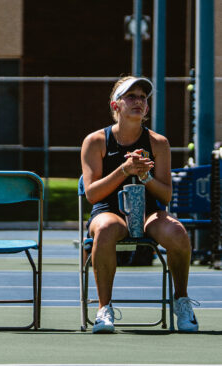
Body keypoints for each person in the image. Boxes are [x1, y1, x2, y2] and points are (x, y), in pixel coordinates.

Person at [81, 76, 199, 333]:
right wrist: (124, 170)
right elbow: (91, 194)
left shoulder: (158, 143)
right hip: (108, 211)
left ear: (146, 108)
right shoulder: (96, 141)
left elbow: (166, 196)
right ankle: (104, 308)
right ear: (116, 106)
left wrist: (145, 177)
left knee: (178, 232)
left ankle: (181, 301)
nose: (138, 101)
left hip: (149, 212)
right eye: (130, 96)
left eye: (142, 98)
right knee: (105, 229)